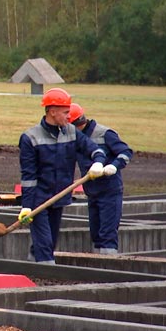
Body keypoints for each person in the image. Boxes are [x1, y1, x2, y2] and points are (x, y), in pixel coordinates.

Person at [18, 88, 107, 264]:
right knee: (45, 245)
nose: (69, 116)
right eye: (66, 112)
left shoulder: (71, 132)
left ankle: (32, 268)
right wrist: (27, 206)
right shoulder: (30, 138)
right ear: (52, 111)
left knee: (48, 242)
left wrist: (98, 161)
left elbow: (94, 149)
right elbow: (28, 176)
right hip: (39, 200)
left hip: (59, 197)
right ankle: (46, 276)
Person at [69, 103, 133, 255]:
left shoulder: (104, 134)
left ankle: (108, 264)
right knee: (96, 234)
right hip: (92, 191)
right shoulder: (75, 139)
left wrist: (115, 166)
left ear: (76, 123)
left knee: (107, 235)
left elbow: (126, 152)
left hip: (109, 191)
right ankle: (98, 263)